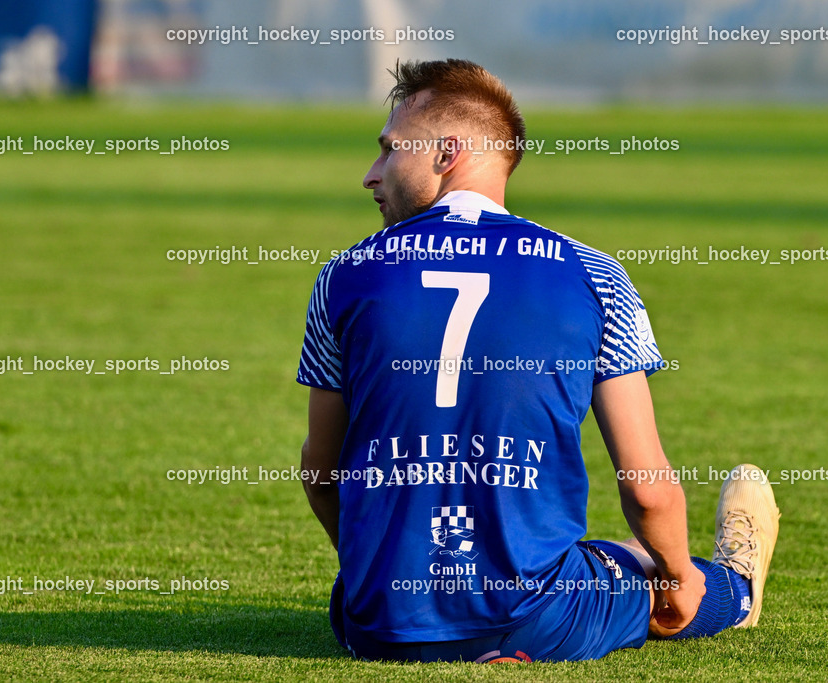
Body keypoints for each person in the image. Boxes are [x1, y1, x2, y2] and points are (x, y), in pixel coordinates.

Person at [296, 58, 780, 663]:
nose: (371, 175)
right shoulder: (593, 274)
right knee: (650, 565)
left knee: (607, 556)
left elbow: (321, 472)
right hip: (540, 621)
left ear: (447, 151)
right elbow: (648, 488)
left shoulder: (345, 274)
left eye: (390, 151)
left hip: (377, 626)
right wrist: (678, 575)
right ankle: (736, 585)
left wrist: (378, 572)